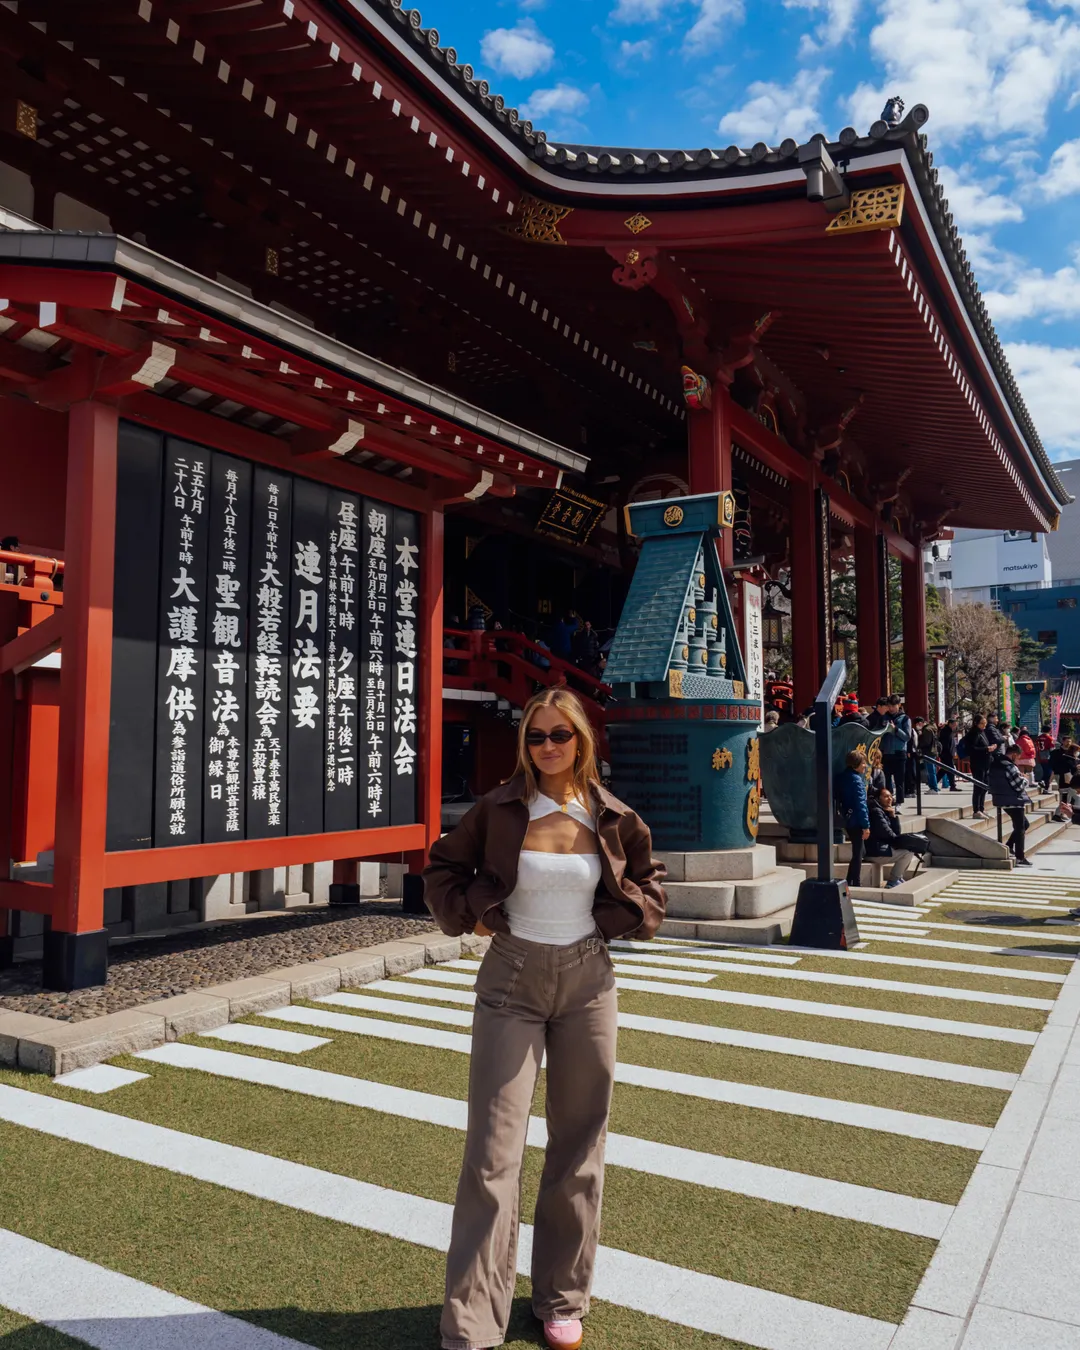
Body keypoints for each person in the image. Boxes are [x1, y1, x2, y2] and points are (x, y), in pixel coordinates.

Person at [422, 687, 667, 1350]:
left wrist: (620, 921)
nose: (548, 747)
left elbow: (649, 881)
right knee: (492, 1154)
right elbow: (443, 867)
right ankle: (473, 1318)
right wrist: (471, 914)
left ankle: (561, 1296)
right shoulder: (501, 808)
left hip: (589, 985)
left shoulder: (611, 814)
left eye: (561, 735)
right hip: (511, 980)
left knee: (580, 1143)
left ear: (582, 741)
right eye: (536, 736)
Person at [867, 787, 928, 887]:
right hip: (875, 850)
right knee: (908, 852)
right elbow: (888, 834)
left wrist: (893, 816)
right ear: (878, 799)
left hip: (882, 848)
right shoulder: (876, 812)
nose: (890, 799)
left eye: (891, 796)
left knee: (910, 849)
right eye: (886, 796)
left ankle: (898, 878)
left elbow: (896, 833)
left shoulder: (883, 811)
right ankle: (893, 881)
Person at [987, 743, 1034, 866]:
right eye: (1018, 757)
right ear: (1013, 754)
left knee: (1024, 824)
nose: (1018, 759)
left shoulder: (995, 764)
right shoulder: (1010, 767)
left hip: (1001, 798)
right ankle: (1020, 856)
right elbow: (1018, 786)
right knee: (1020, 828)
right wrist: (1025, 778)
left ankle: (1009, 845)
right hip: (1014, 800)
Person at [835, 749, 870, 888]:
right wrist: (866, 825)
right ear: (856, 764)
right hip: (856, 820)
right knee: (858, 853)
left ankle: (851, 880)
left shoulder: (842, 777)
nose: (865, 766)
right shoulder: (857, 781)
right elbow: (861, 804)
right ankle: (855, 881)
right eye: (863, 763)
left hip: (847, 818)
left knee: (857, 852)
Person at [968, 713, 991, 819]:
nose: (984, 725)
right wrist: (987, 749)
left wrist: (990, 748)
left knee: (984, 786)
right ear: (976, 723)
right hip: (978, 763)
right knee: (978, 786)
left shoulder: (983, 732)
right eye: (982, 723)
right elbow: (972, 749)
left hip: (986, 763)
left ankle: (981, 808)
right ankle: (976, 810)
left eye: (985, 723)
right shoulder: (973, 734)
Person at [915, 717, 940, 792]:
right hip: (932, 751)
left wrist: (919, 741)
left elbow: (926, 742)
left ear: (920, 723)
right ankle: (933, 786)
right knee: (932, 770)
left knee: (930, 771)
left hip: (928, 752)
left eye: (917, 724)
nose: (917, 726)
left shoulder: (926, 730)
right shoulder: (931, 728)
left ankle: (933, 788)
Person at [938, 716, 961, 791]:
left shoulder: (950, 731)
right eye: (954, 725)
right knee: (950, 770)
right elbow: (946, 744)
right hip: (946, 753)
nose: (955, 726)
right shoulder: (945, 731)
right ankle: (952, 786)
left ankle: (934, 782)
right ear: (950, 724)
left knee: (944, 770)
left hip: (948, 753)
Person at [1036, 724, 1056, 791]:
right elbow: (1052, 749)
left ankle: (1045, 785)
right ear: (1050, 731)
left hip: (1040, 756)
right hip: (1048, 757)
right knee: (1048, 773)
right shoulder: (1049, 738)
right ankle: (1045, 785)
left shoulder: (1038, 738)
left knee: (1045, 771)